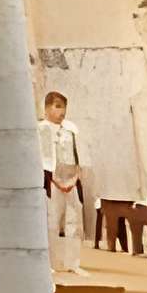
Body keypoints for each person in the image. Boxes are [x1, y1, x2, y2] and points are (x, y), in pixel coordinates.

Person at [39, 90, 84, 272]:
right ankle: (51, 263)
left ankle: (73, 263)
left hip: (71, 179)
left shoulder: (71, 129)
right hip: (51, 178)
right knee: (52, 221)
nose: (61, 111)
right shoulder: (41, 128)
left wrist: (78, 175)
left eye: (63, 107)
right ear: (47, 107)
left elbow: (78, 153)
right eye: (57, 106)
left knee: (74, 220)